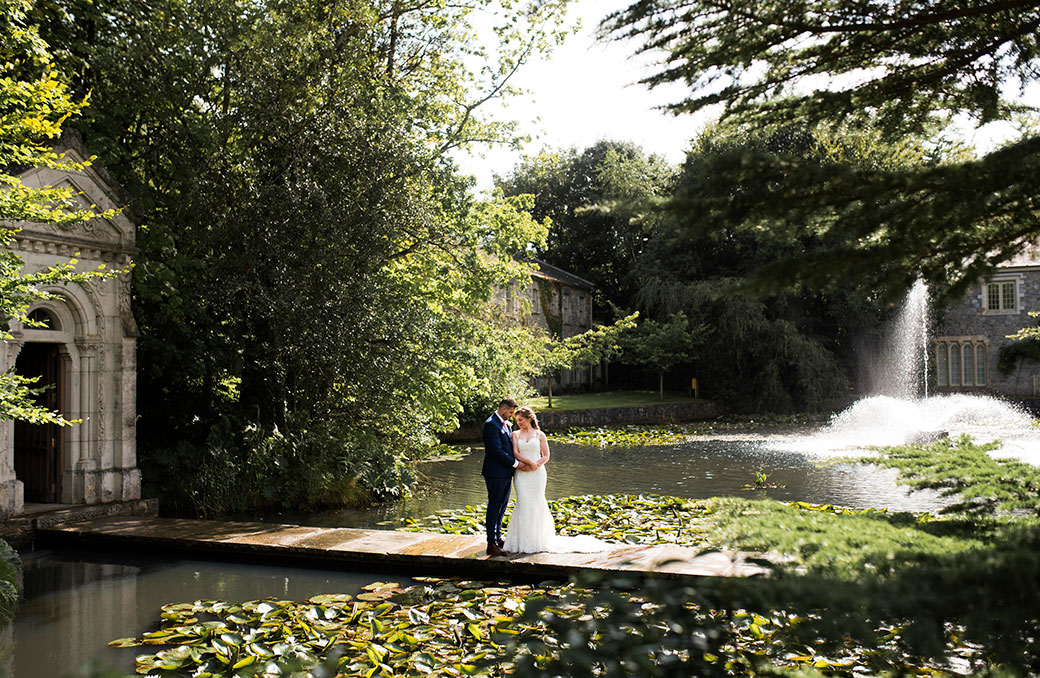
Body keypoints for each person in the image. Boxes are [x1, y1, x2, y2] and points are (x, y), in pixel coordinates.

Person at [503, 406, 610, 554]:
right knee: (523, 502)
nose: (519, 423)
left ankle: (538, 540)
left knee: (537, 501)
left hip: (537, 474)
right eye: (517, 420)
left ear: (529, 419)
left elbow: (546, 455)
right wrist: (529, 463)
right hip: (522, 473)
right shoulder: (515, 434)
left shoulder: (540, 435)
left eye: (521, 420)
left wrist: (536, 464)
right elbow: (515, 452)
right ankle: (521, 541)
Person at [481, 397, 529, 556]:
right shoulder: (491, 424)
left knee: (502, 507)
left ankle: (498, 537)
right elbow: (496, 451)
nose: (511, 415)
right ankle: (491, 543)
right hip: (495, 473)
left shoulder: (503, 423)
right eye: (510, 412)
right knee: (494, 507)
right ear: (503, 409)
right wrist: (516, 463)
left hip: (506, 473)